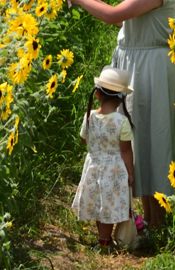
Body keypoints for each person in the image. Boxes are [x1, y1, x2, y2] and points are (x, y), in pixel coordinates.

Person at [55, 0, 175, 234]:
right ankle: (149, 219)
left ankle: (158, 222)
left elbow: (113, 15)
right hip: (136, 63)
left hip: (149, 67)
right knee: (138, 140)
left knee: (153, 138)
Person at [71, 66, 136, 254]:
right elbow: (126, 151)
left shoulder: (89, 117)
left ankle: (103, 240)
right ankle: (104, 244)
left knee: (100, 205)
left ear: (97, 93)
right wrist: (130, 173)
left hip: (93, 166)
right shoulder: (121, 121)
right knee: (107, 206)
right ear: (122, 98)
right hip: (113, 170)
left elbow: (84, 140)